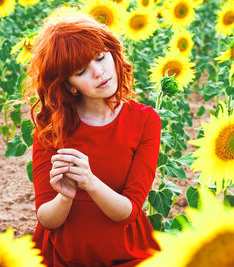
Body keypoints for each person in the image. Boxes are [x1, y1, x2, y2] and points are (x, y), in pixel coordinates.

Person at [27, 11, 161, 267]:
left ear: (112, 53)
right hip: (62, 256)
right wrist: (65, 196)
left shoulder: (145, 121)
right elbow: (47, 219)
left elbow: (129, 212)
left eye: (101, 58)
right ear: (70, 85)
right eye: (82, 71)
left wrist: (89, 182)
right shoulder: (51, 127)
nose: (99, 72)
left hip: (126, 253)